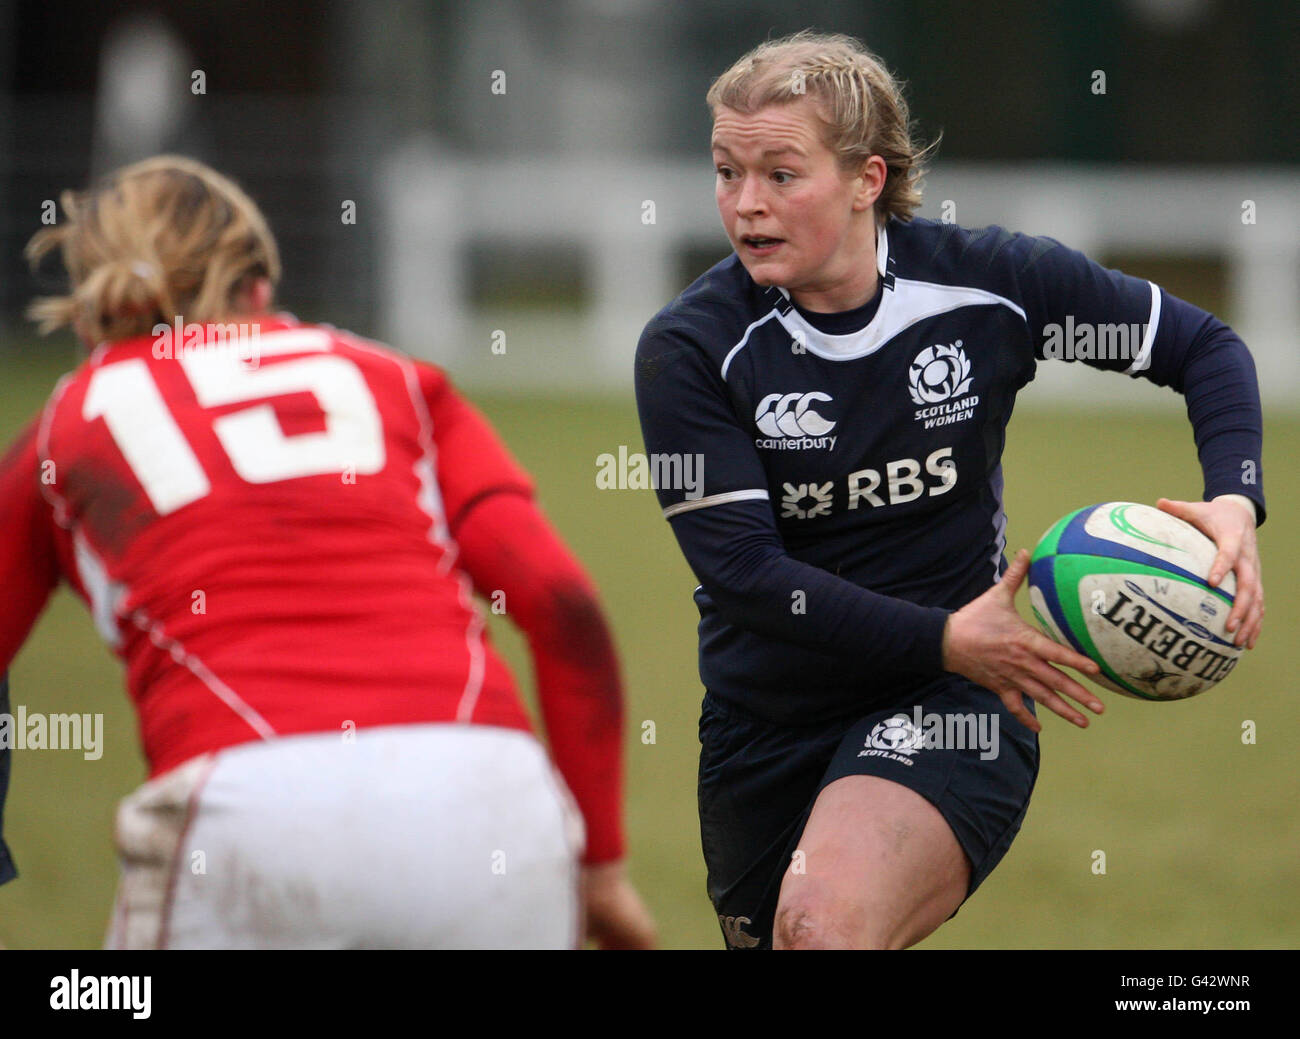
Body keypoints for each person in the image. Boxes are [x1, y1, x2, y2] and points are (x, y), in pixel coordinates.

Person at [634, 31, 1265, 950]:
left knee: (823, 929)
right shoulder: (695, 347)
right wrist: (947, 634)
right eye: (727, 172)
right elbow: (744, 575)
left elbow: (1202, 347)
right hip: (763, 723)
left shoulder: (985, 286)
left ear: (868, 178)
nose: (745, 205)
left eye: (780, 173)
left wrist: (1233, 500)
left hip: (957, 694)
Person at [0, 155, 656, 950]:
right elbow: (561, 604)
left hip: (248, 809)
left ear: (93, 307)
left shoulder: (67, 421)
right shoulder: (397, 379)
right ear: (259, 288)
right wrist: (602, 869)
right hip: (493, 802)